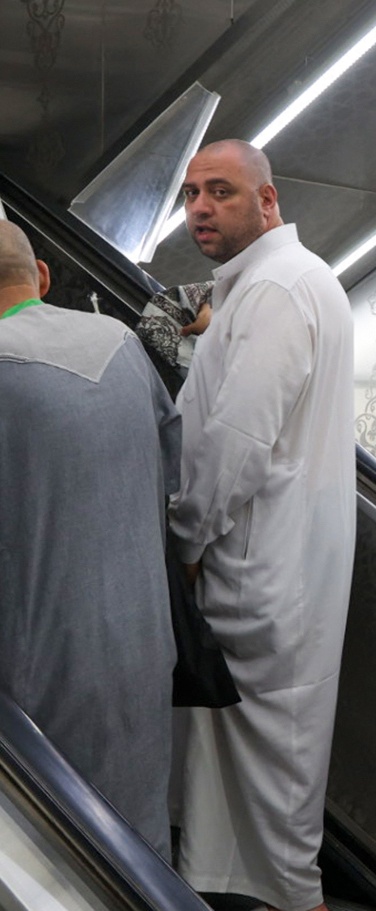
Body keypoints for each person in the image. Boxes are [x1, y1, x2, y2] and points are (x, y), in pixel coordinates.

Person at [168, 139, 355, 911]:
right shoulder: (289, 281)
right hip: (283, 571)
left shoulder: (276, 289)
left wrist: (180, 543)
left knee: (279, 837)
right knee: (269, 811)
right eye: (191, 194)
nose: (202, 208)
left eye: (222, 191)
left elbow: (233, 446)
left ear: (268, 201)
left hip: (259, 579)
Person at [0, 222, 178, 857]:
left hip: (39, 677)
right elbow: (172, 475)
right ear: (43, 277)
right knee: (135, 852)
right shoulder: (121, 342)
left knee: (55, 857)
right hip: (141, 650)